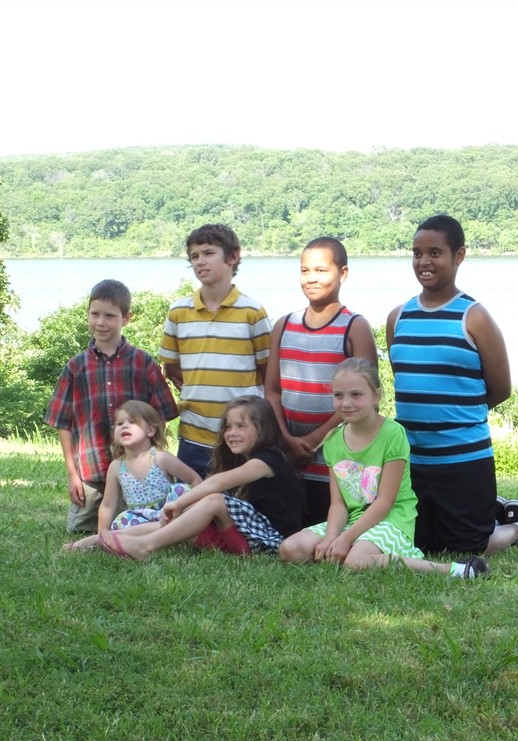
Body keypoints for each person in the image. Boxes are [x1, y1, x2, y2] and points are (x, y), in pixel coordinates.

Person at [386, 214, 518, 556]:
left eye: (435, 253)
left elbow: (500, 389)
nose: (424, 262)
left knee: (469, 548)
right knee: (419, 543)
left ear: (459, 256)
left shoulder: (474, 317)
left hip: (463, 459)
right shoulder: (398, 317)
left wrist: (457, 416)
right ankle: (492, 507)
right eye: (417, 253)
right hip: (412, 460)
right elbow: (405, 379)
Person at [279, 359, 488, 577]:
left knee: (356, 562)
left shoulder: (392, 434)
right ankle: (361, 552)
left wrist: (346, 538)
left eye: (356, 395)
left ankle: (455, 569)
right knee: (290, 549)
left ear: (376, 396)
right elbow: (339, 504)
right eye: (338, 395)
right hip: (353, 520)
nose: (346, 403)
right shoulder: (333, 440)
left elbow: (385, 502)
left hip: (391, 519)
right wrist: (332, 537)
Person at [95, 395, 304, 562]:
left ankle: (145, 546)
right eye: (228, 427)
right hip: (240, 537)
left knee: (213, 500)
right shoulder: (240, 460)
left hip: (269, 541)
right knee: (189, 517)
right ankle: (100, 540)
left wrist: (178, 504)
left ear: (263, 428)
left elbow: (217, 483)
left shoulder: (269, 460)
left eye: (241, 426)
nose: (232, 433)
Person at [44, 279, 179, 534]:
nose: (101, 322)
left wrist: (151, 458)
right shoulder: (76, 367)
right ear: (88, 314)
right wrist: (72, 475)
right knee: (80, 529)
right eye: (95, 314)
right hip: (90, 472)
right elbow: (63, 423)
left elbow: (161, 415)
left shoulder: (142, 363)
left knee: (139, 526)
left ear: (126, 318)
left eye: (110, 316)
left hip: (135, 473)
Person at [264, 236, 378, 527]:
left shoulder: (354, 327)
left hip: (336, 458)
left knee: (329, 525)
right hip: (290, 456)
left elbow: (364, 397)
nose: (311, 278)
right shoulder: (284, 325)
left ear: (343, 273)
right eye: (305, 271)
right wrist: (287, 440)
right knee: (289, 527)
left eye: (321, 270)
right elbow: (273, 391)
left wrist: (315, 440)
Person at [159, 224, 272, 478]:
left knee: (240, 499)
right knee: (192, 497)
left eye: (209, 253)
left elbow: (268, 372)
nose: (200, 261)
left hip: (242, 436)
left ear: (233, 257)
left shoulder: (252, 312)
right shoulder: (178, 312)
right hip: (194, 434)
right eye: (194, 256)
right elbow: (172, 368)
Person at [64, 401, 202, 549]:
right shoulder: (116, 467)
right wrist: (102, 532)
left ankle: (174, 531)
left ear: (150, 430)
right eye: (119, 423)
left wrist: (196, 505)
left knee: (182, 490)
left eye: (132, 422)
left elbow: (194, 479)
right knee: (123, 522)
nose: (124, 426)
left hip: (169, 512)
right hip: (140, 520)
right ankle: (106, 539)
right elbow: (108, 505)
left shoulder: (160, 457)